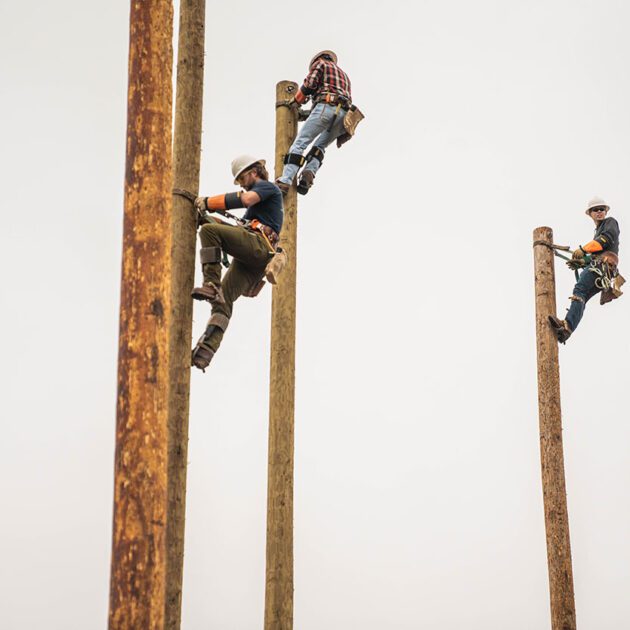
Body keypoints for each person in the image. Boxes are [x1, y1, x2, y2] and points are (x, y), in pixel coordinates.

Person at [190, 155, 283, 370]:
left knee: (209, 231)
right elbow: (239, 229)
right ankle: (205, 351)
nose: (241, 183)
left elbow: (245, 199)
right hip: (251, 260)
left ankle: (211, 284)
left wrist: (208, 202)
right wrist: (208, 216)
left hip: (259, 247)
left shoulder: (268, 188)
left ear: (254, 172)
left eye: (242, 178)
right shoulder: (255, 213)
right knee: (223, 301)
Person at [276, 50, 354, 196]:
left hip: (326, 107)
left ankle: (285, 181)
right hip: (344, 117)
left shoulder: (321, 64)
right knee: (320, 147)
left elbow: (310, 84)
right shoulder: (345, 76)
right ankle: (308, 175)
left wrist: (295, 102)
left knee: (301, 142)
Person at [549, 197, 623, 343]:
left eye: (602, 209)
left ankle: (568, 326)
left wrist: (583, 250)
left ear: (606, 211)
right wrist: (583, 261)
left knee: (579, 290)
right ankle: (566, 329)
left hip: (603, 266)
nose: (599, 212)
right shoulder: (598, 230)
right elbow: (597, 254)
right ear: (590, 213)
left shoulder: (610, 222)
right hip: (601, 267)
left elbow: (605, 241)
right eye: (596, 210)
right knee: (581, 297)